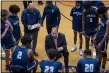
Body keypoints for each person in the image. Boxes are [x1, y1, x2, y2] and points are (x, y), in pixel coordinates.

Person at [94, 6, 109, 73]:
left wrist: (101, 42)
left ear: (103, 13)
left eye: (99, 14)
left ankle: (103, 67)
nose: (99, 15)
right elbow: (99, 27)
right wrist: (95, 35)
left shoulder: (108, 21)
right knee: (99, 51)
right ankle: (99, 64)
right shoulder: (102, 18)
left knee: (104, 53)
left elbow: (106, 33)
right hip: (98, 37)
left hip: (103, 39)